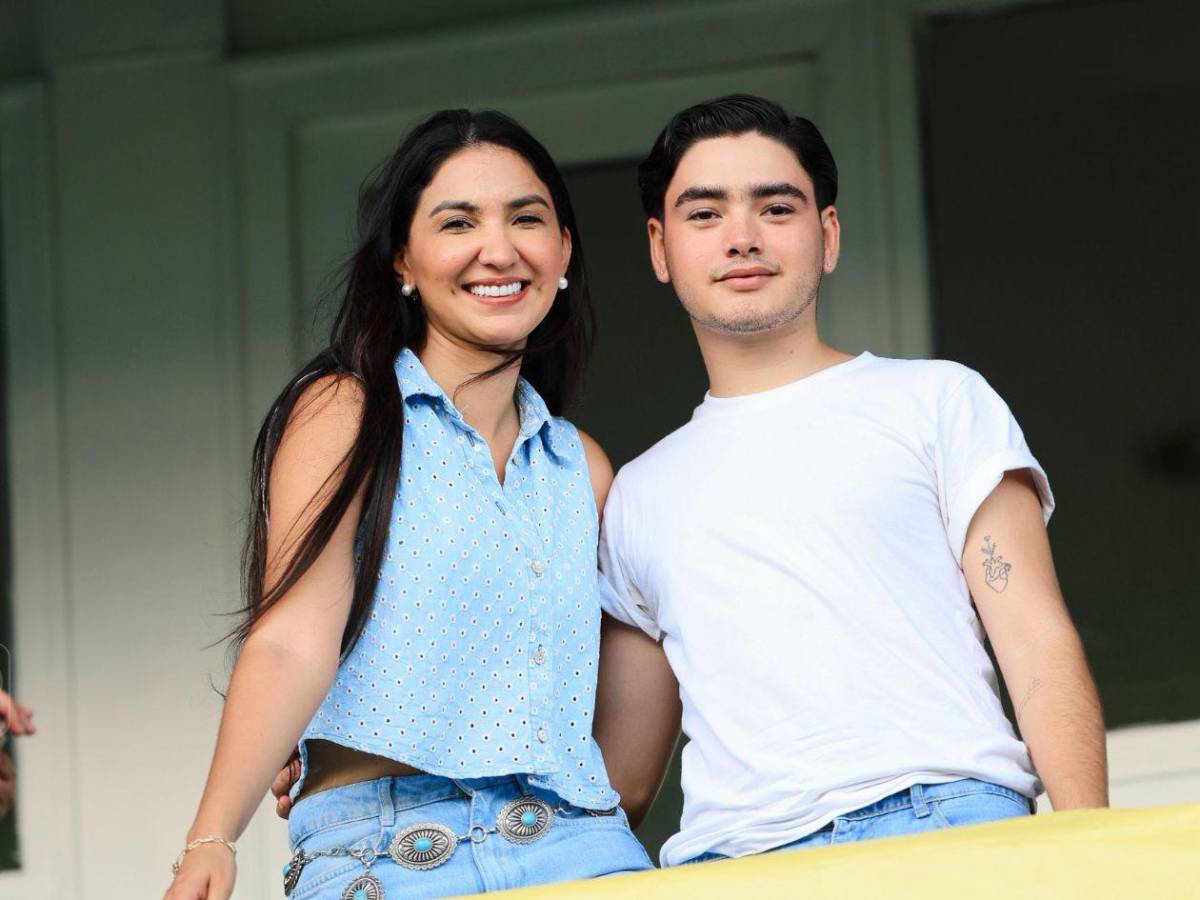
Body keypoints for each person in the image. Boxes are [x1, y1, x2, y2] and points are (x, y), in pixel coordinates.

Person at [589, 94, 1108, 866]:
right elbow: (624, 783)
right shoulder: (637, 493)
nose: (742, 237)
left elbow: (1035, 641)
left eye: (776, 208)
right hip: (734, 862)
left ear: (827, 235)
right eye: (705, 214)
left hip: (943, 824)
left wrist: (1093, 851)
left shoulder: (938, 400)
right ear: (661, 249)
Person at [165, 109, 652, 900]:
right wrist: (213, 836)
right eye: (458, 223)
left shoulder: (582, 467)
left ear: (563, 251)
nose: (499, 249)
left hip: (578, 846)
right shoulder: (347, 413)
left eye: (526, 218)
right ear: (403, 260)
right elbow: (291, 640)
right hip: (387, 853)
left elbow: (626, 712)